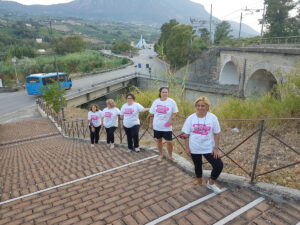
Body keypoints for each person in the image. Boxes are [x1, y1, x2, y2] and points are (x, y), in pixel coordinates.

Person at [181, 96, 223, 194]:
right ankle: (199, 180)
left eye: (203, 106)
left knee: (218, 165)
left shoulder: (213, 118)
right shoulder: (190, 118)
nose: (200, 108)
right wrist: (187, 148)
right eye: (198, 105)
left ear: (207, 107)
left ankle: (211, 183)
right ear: (195, 106)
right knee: (197, 164)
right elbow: (186, 134)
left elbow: (217, 133)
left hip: (209, 147)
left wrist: (216, 148)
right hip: (194, 147)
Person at [149, 86, 178, 162]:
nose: (165, 93)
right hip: (157, 125)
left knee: (169, 142)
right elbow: (151, 114)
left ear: (168, 93)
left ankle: (171, 156)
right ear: (160, 93)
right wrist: (150, 123)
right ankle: (161, 155)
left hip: (167, 126)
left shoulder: (172, 102)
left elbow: (175, 112)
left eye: (166, 92)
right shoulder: (156, 102)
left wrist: (171, 119)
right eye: (163, 92)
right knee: (159, 141)